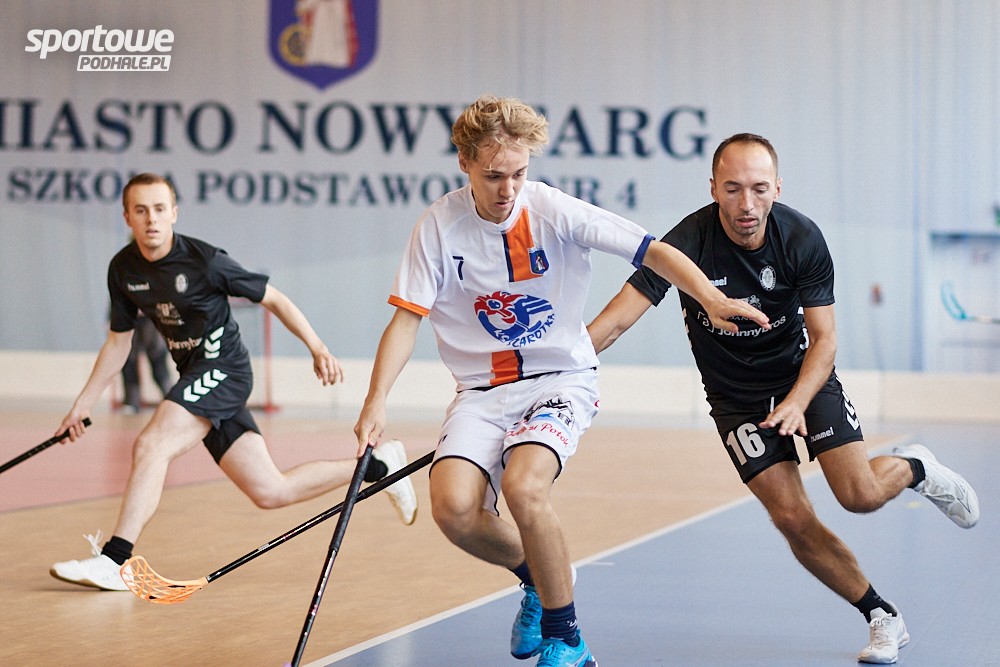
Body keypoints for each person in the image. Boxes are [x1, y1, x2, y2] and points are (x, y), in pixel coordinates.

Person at [352, 97, 769, 667]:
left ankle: (567, 637)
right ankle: (540, 577)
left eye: (518, 173)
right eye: (493, 176)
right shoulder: (438, 227)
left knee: (524, 488)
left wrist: (712, 299)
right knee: (453, 511)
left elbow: (654, 252)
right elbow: (406, 321)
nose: (508, 189)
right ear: (465, 163)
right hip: (480, 393)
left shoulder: (551, 209)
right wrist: (376, 401)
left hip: (559, 380)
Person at [586, 133, 980, 664]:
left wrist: (796, 401)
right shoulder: (686, 243)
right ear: (713, 188)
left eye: (758, 188)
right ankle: (881, 615)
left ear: (777, 187)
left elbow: (826, 340)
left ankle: (916, 468)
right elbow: (614, 321)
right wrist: (555, 366)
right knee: (792, 518)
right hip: (735, 398)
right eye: (732, 189)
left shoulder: (801, 238)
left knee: (859, 496)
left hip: (803, 375)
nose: (746, 204)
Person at [50, 172, 418, 592]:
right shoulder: (123, 269)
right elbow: (119, 343)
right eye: (141, 210)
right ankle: (380, 466)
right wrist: (82, 404)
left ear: (174, 213)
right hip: (195, 376)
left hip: (224, 370)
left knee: (151, 445)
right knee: (271, 491)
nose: (151, 219)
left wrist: (317, 347)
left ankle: (116, 561)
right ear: (127, 217)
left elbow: (274, 298)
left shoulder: (205, 261)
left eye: (159, 209)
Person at [120, 311, 172, 413]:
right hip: (128, 316)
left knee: (158, 360)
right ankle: (131, 402)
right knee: (129, 361)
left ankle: (172, 399)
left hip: (151, 317)